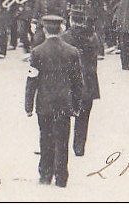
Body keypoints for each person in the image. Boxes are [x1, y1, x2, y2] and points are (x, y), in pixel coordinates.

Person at [24, 15, 84, 188]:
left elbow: (32, 80)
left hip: (44, 103)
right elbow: (77, 82)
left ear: (44, 29)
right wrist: (77, 105)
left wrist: (29, 105)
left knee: (45, 138)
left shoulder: (37, 52)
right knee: (62, 140)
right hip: (64, 103)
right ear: (61, 29)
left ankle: (45, 175)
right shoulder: (72, 51)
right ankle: (61, 178)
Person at [62, 5, 100, 157]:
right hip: (88, 83)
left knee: (64, 117)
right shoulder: (93, 37)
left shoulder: (65, 37)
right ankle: (79, 147)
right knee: (83, 118)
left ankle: (63, 146)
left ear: (71, 20)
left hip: (69, 83)